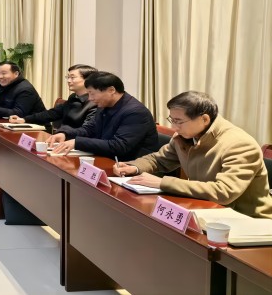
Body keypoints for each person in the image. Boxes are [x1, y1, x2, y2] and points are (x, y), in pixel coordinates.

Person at [115, 91, 272, 218]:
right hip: (208, 208)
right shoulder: (184, 136)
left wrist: (163, 183)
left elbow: (224, 192)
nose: (174, 127)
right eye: (172, 120)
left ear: (204, 119)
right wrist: (133, 167)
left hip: (247, 219)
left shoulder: (239, 144)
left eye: (179, 121)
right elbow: (160, 160)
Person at [47, 71, 159, 160]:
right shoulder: (104, 104)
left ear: (111, 90)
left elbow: (119, 146)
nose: (90, 98)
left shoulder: (135, 112)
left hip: (131, 166)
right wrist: (65, 134)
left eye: (92, 93)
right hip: (108, 158)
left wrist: (77, 142)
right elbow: (89, 129)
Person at [0, 61, 45, 187]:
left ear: (16, 73)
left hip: (33, 129)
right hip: (12, 125)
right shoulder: (5, 86)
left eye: (4, 73)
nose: (0, 77)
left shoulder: (25, 89)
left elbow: (18, 113)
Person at [9, 64, 98, 133]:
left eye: (72, 77)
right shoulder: (73, 97)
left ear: (88, 80)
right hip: (62, 138)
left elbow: (87, 130)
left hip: (76, 142)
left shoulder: (95, 103)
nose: (68, 81)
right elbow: (53, 113)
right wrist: (24, 119)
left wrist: (63, 134)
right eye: (68, 77)